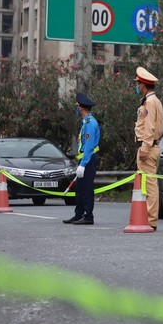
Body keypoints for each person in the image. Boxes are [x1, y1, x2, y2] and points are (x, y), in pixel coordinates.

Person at [134, 67, 163, 231]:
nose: (137, 86)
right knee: (148, 183)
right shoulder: (154, 101)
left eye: (138, 83)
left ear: (143, 85)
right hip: (151, 146)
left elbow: (150, 127)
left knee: (150, 185)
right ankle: (148, 217)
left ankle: (151, 220)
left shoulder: (150, 102)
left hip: (148, 147)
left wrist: (145, 147)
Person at [63, 93, 101, 225]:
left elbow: (89, 147)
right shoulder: (85, 123)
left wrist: (83, 164)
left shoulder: (91, 124)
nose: (77, 109)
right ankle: (78, 214)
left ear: (81, 108)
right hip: (85, 160)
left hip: (88, 160)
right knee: (79, 189)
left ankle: (88, 216)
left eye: (78, 107)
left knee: (86, 189)